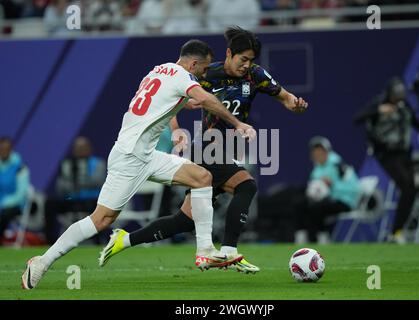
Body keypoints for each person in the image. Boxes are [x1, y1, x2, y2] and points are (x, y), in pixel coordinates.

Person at [21, 39, 256, 290]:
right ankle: (42, 262)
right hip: (130, 157)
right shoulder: (181, 76)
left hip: (147, 154)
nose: (206, 73)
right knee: (101, 220)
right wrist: (237, 123)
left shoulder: (159, 70)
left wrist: (191, 104)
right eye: (205, 69)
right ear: (194, 63)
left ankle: (205, 250)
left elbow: (171, 101)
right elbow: (203, 99)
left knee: (202, 177)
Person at [99, 26, 309, 274]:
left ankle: (124, 240)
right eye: (243, 59)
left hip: (229, 152)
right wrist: (177, 130)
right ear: (229, 54)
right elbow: (170, 104)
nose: (246, 65)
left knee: (184, 220)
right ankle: (230, 251)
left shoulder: (256, 76)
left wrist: (296, 105)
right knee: (246, 185)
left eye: (251, 60)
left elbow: (285, 97)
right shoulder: (208, 74)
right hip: (207, 149)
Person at [354, 77, 419, 243]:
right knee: (406, 186)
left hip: (405, 153)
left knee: (411, 189)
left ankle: (397, 231)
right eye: (396, 93)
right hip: (386, 154)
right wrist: (379, 110)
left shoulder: (405, 106)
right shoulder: (379, 103)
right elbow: (358, 118)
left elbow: (418, 124)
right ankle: (396, 232)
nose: (398, 96)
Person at [44, 136, 106, 244]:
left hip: (91, 199)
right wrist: (72, 185)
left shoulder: (98, 163)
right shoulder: (66, 163)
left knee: (101, 207)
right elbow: (60, 186)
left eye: (83, 147)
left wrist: (77, 182)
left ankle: (98, 241)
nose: (80, 150)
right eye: (77, 148)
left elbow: (99, 181)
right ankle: (50, 241)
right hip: (71, 199)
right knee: (50, 203)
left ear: (89, 148)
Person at [299, 136, 360, 243]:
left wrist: (332, 185)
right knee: (301, 205)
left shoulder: (339, 165)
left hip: (345, 201)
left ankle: (321, 239)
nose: (317, 154)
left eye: (320, 151)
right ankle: (301, 237)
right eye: (315, 152)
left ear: (327, 151)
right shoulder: (317, 169)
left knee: (316, 208)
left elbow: (354, 188)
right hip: (327, 201)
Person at [0, 137, 30, 243]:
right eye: (1, 149)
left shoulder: (20, 168)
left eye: (6, 149)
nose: (3, 151)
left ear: (11, 149)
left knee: (4, 215)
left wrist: (3, 203)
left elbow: (21, 193)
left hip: (15, 205)